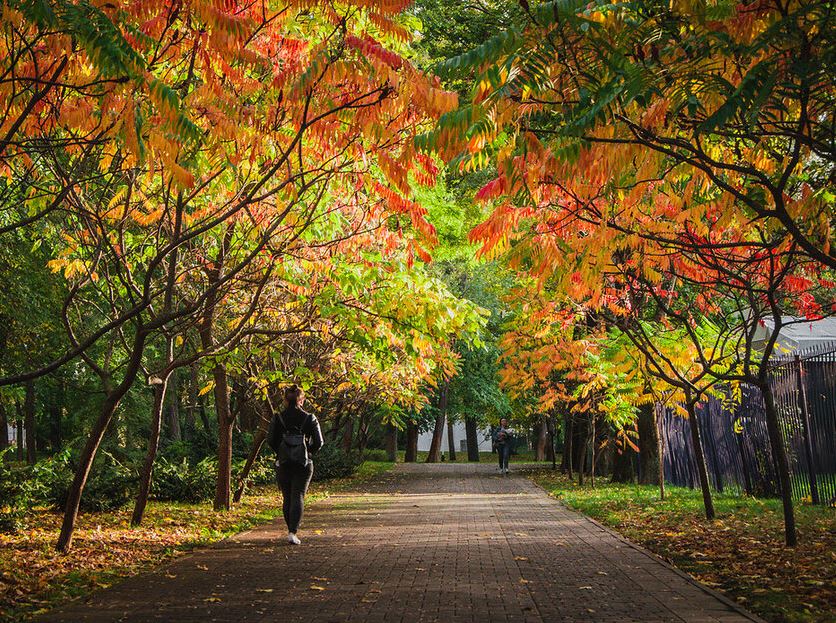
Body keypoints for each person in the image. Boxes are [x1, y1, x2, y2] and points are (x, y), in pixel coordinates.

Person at [267, 384, 323, 544]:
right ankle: (293, 532)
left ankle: (290, 529)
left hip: (283, 463)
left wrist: (281, 452)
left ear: (285, 400)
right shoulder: (310, 418)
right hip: (303, 464)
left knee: (287, 496)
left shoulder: (278, 418)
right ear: (302, 400)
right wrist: (308, 452)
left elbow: (270, 440)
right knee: (298, 494)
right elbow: (319, 442)